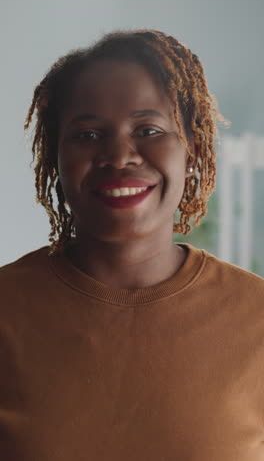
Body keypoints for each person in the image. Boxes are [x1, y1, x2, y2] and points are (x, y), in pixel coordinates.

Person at [1, 29, 264, 461]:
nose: (119, 155)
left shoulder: (256, 316)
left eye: (148, 129)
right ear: (55, 156)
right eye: (88, 134)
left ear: (192, 150)